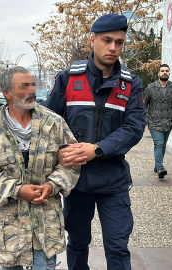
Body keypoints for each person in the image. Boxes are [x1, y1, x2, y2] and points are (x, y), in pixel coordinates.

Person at [45, 14, 146, 270]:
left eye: (119, 42)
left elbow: (134, 128)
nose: (113, 47)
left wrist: (98, 150)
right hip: (76, 181)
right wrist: (58, 155)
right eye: (107, 40)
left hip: (113, 180)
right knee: (77, 243)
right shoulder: (67, 79)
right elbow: (47, 126)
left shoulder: (131, 84)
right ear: (93, 40)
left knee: (117, 246)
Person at [0, 67, 80, 270]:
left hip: (45, 228)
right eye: (24, 86)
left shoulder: (54, 123)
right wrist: (17, 190)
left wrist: (52, 185)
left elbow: (71, 163)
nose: (31, 90)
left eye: (32, 85)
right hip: (10, 231)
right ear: (7, 93)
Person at [144, 64, 172, 178]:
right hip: (154, 120)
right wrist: (145, 118)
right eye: (162, 71)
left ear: (169, 73)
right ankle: (160, 168)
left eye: (167, 71)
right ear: (158, 74)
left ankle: (157, 164)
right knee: (159, 143)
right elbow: (143, 104)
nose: (165, 72)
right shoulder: (150, 87)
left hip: (168, 120)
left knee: (163, 144)